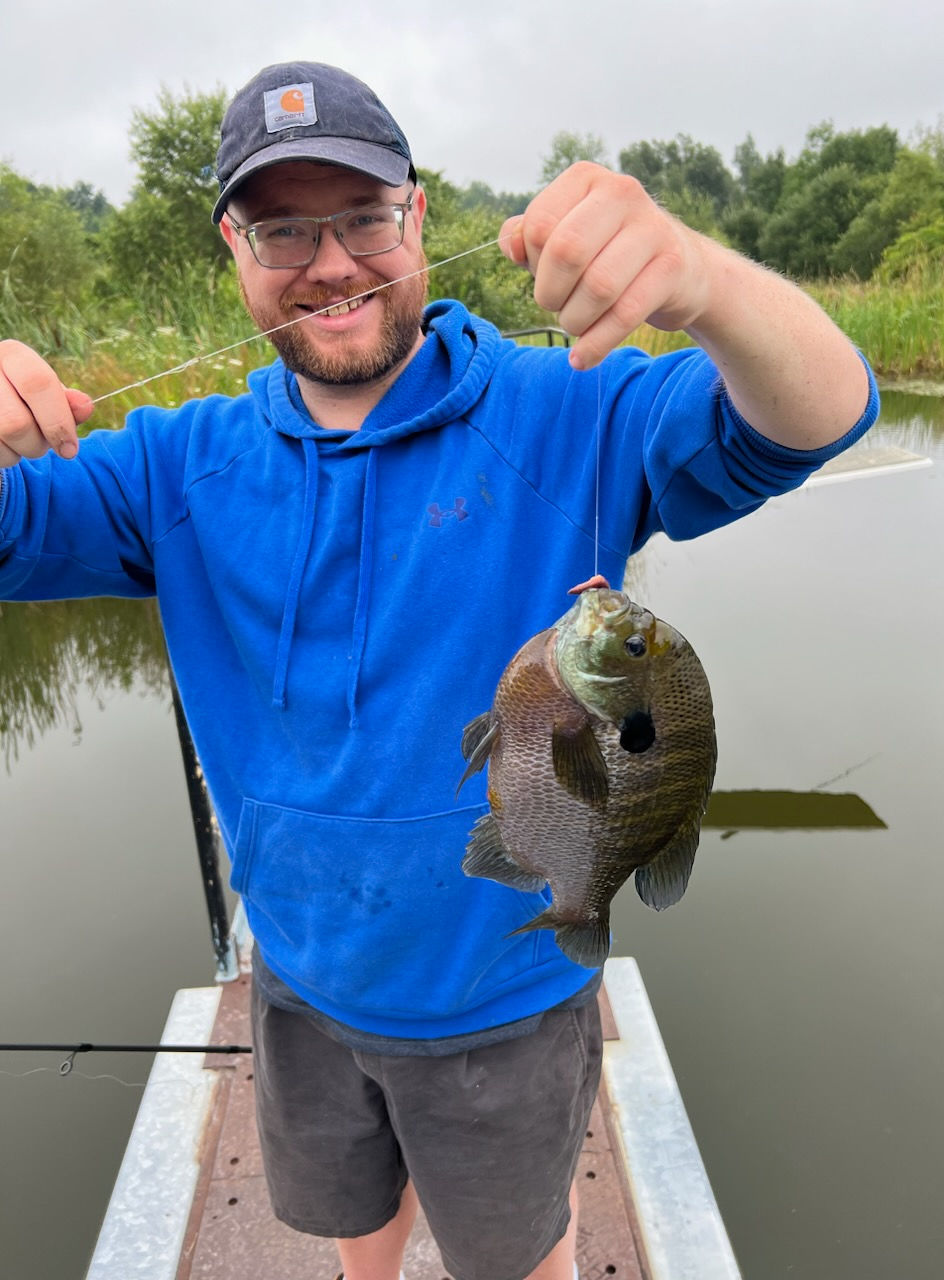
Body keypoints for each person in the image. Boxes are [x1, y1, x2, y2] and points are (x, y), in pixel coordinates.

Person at [0, 61, 877, 1280]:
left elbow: (817, 418)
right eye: (283, 227)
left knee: (517, 1255)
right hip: (300, 980)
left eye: (361, 215)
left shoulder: (565, 406)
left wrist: (706, 281)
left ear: (416, 217)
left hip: (504, 990)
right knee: (357, 1225)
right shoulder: (168, 463)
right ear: (234, 248)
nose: (329, 261)